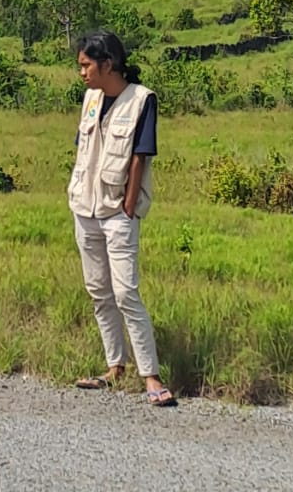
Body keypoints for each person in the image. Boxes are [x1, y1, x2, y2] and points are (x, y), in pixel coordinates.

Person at [67, 28, 175, 406]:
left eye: (86, 65)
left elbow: (139, 156)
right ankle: (115, 368)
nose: (82, 72)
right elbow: (85, 149)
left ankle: (151, 376)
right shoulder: (90, 99)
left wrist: (129, 206)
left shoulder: (141, 100)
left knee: (126, 291)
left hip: (117, 211)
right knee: (98, 290)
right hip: (85, 206)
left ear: (107, 64)